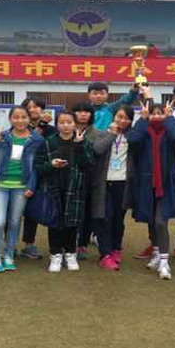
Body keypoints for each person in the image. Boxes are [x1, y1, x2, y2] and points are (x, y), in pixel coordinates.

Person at [133, 84, 175, 261]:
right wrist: (148, 98)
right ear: (174, 98)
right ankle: (155, 244)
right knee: (155, 212)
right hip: (157, 172)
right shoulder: (169, 114)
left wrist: (168, 118)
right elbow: (152, 113)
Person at [127, 100, 175, 280]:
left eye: (160, 113)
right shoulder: (143, 131)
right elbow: (132, 140)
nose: (157, 116)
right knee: (151, 220)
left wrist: (170, 119)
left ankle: (165, 263)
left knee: (160, 221)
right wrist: (142, 120)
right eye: (153, 113)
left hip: (166, 184)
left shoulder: (169, 131)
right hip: (145, 183)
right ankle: (157, 252)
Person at [0, 106, 44, 273]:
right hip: (1, 185)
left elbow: (37, 166)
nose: (20, 121)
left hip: (21, 186)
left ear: (29, 119)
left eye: (23, 117)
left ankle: (9, 255)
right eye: (16, 117)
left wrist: (31, 185)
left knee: (14, 222)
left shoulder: (37, 140)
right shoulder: (3, 136)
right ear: (10, 119)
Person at [35, 110, 94, 273]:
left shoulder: (83, 141)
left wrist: (80, 145)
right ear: (56, 124)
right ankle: (55, 254)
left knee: (72, 224)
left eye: (69, 122)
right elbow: (38, 167)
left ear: (75, 124)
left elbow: (88, 164)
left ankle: (70, 253)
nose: (66, 125)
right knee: (54, 223)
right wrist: (51, 164)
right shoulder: (48, 142)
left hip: (74, 189)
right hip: (53, 188)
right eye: (62, 122)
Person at [92, 105, 134, 271]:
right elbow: (98, 149)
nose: (122, 121)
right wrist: (111, 134)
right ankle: (105, 254)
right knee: (104, 218)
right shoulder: (102, 133)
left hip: (123, 183)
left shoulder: (132, 137)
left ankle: (116, 249)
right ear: (113, 117)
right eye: (119, 117)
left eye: (126, 118)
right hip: (105, 183)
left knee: (118, 220)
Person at [19, 96, 57, 260]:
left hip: (47, 171)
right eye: (29, 107)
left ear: (42, 109)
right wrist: (41, 124)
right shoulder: (20, 128)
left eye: (36, 106)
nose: (32, 109)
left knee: (51, 207)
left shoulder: (52, 129)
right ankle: (28, 245)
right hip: (26, 173)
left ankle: (57, 247)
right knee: (28, 210)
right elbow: (30, 144)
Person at [71, 101, 99, 260]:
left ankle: (82, 244)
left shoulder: (97, 133)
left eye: (87, 111)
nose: (83, 114)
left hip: (89, 178)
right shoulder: (67, 129)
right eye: (79, 111)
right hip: (69, 177)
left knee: (87, 213)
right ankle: (67, 243)